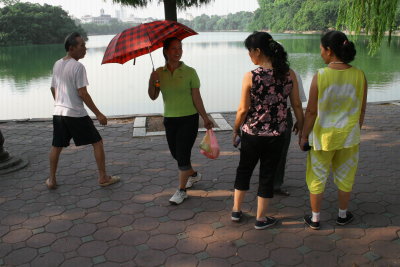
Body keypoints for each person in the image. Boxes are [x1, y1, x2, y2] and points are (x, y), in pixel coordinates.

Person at [231, 32, 304, 229]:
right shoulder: (289, 74)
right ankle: (261, 219)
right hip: (276, 134)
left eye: (249, 51)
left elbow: (243, 109)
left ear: (258, 51)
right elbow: (296, 103)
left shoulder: (251, 76)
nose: (249, 55)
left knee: (244, 170)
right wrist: (301, 122)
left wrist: (236, 129)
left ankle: (236, 211)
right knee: (267, 174)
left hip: (252, 134)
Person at [300, 31, 368, 230]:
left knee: (317, 176)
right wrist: (356, 129)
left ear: (329, 51)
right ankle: (342, 215)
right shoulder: (359, 75)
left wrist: (304, 135)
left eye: (322, 49)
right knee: (346, 176)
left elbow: (311, 111)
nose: (320, 53)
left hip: (323, 137)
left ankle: (315, 219)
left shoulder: (320, 76)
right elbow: (362, 108)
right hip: (349, 136)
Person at [46, 32, 120, 189]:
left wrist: (61, 103)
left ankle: (51, 180)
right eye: (82, 46)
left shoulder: (57, 63)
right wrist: (98, 114)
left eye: (85, 45)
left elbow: (53, 88)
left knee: (56, 146)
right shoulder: (78, 66)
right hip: (75, 114)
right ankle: (103, 177)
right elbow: (83, 93)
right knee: (97, 142)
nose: (85, 49)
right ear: (71, 48)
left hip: (59, 113)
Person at [148, 37, 214, 205]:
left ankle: (181, 190)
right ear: (165, 51)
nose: (177, 52)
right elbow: (153, 96)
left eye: (180, 48)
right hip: (170, 120)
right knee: (176, 155)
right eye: (173, 49)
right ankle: (193, 175)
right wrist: (152, 81)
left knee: (183, 154)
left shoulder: (190, 72)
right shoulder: (159, 73)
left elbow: (196, 97)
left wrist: (205, 117)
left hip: (189, 119)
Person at [273, 71, 307, 196]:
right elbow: (296, 103)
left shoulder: (255, 74)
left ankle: (265, 181)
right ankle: (275, 184)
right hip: (283, 115)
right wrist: (301, 121)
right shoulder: (292, 74)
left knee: (264, 150)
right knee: (281, 152)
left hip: (260, 117)